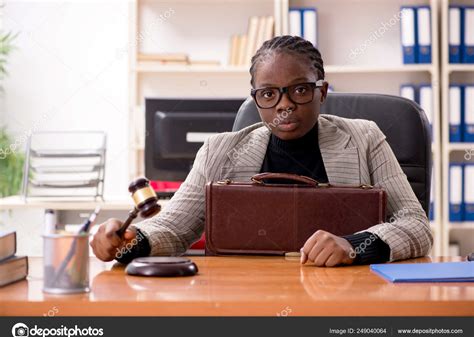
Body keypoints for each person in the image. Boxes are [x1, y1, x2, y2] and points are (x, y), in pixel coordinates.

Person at [91, 35, 432, 267]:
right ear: (255, 98)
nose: (284, 106)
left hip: (343, 294)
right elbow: (172, 228)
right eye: (269, 94)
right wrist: (132, 241)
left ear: (322, 92)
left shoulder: (364, 138)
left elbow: (416, 225)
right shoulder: (219, 151)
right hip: (247, 297)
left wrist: (354, 245)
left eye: (299, 90)